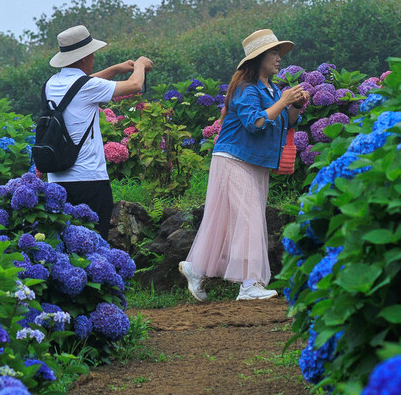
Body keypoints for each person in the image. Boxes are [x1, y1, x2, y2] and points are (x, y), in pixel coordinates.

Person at [179, 29, 306, 302]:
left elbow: (286, 122)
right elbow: (255, 122)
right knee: (249, 219)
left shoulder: (271, 89)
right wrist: (283, 101)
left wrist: (294, 106)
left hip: (254, 162)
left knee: (228, 222)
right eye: (273, 53)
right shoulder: (246, 89)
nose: (278, 58)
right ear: (258, 58)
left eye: (278, 53)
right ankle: (249, 285)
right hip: (234, 159)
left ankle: (196, 269)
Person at [43, 24, 153, 239]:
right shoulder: (87, 87)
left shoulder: (52, 84)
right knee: (94, 245)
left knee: (66, 248)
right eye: (92, 54)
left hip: (56, 181)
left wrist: (114, 69)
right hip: (89, 181)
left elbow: (82, 83)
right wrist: (140, 65)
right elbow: (134, 85)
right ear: (84, 57)